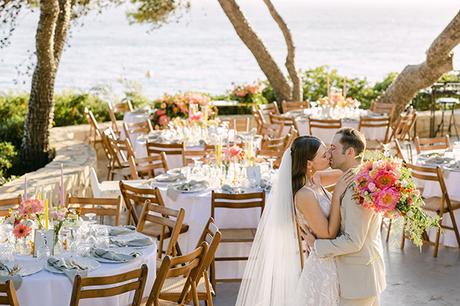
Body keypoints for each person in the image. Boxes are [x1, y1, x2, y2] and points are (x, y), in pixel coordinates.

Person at [236, 135, 352, 306]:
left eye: (327, 151)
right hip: (323, 267)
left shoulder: (316, 180)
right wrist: (336, 197)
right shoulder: (304, 195)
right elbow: (327, 233)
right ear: (308, 164)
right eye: (324, 155)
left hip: (333, 258)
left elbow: (347, 173)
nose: (329, 156)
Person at [306, 128, 386, 306]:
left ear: (350, 152)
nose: (329, 152)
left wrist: (316, 245)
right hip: (363, 276)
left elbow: (353, 241)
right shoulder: (361, 178)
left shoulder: (356, 189)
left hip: (358, 280)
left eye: (333, 148)